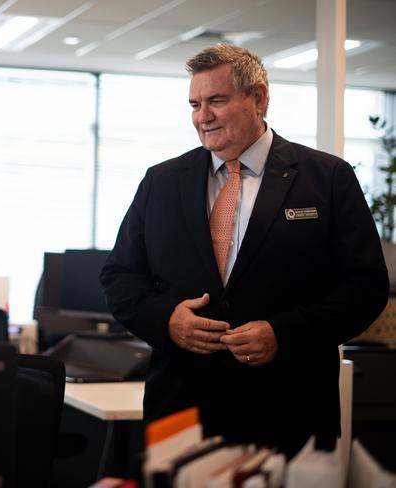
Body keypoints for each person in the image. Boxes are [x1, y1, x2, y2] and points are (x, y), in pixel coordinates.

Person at [100, 44, 389, 456]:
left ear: (258, 98)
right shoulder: (162, 181)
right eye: (195, 104)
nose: (203, 116)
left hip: (290, 411)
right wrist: (167, 320)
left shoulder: (327, 178)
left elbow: (365, 287)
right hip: (182, 408)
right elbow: (120, 276)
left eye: (216, 100)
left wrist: (283, 333)